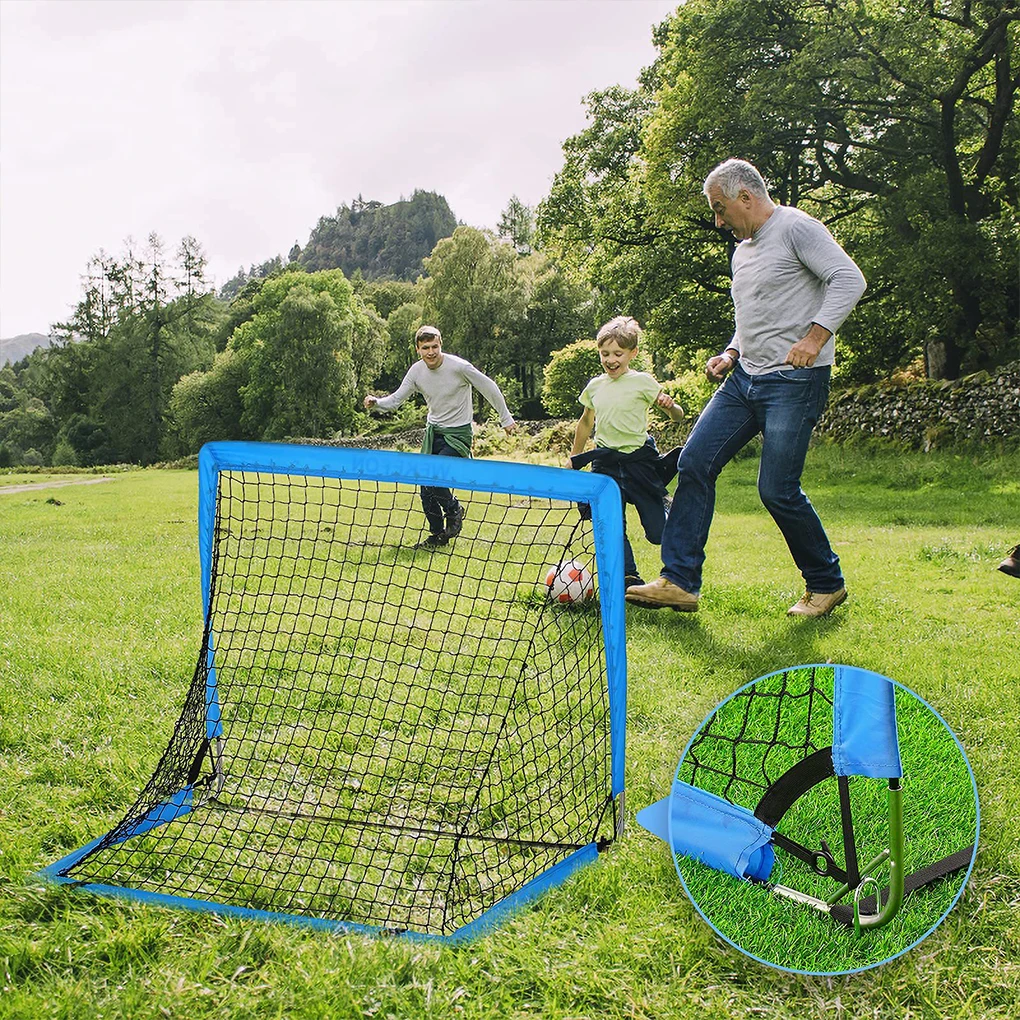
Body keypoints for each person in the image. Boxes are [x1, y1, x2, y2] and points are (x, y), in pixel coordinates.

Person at [626, 158, 866, 616]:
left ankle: (825, 583)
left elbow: (849, 279)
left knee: (777, 489)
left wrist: (815, 338)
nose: (718, 221)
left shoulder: (797, 228)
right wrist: (732, 352)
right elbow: (752, 314)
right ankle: (679, 581)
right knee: (694, 461)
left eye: (720, 209)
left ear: (745, 197)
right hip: (744, 379)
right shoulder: (743, 251)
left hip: (794, 382)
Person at [364, 325, 516, 548]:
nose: (431, 352)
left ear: (440, 345)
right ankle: (437, 536)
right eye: (425, 348)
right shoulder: (416, 372)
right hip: (433, 432)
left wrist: (506, 418)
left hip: (458, 434)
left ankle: (454, 509)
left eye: (435, 346)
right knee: (425, 488)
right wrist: (376, 402)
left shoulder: (459, 367)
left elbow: (489, 387)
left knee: (434, 476)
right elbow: (396, 400)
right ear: (418, 349)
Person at [568, 316, 685, 589]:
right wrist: (575, 458)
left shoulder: (643, 382)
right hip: (605, 463)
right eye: (604, 353)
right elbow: (585, 422)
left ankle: (669, 513)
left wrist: (670, 406)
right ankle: (629, 576)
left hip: (639, 462)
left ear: (632, 353)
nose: (611, 359)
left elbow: (678, 416)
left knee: (658, 533)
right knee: (610, 525)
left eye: (618, 353)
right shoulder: (595, 386)